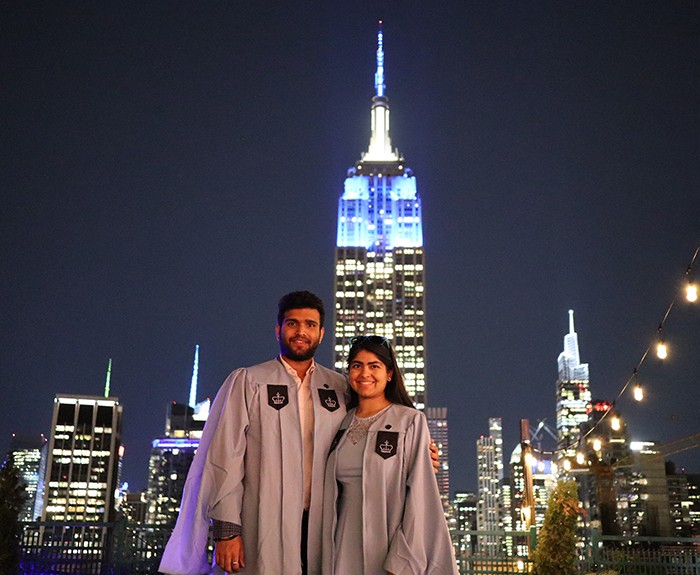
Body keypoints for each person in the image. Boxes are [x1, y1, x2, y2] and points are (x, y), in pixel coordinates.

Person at [159, 291, 348, 575]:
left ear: (321, 334)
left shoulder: (339, 387)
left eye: (310, 325)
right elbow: (225, 459)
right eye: (292, 323)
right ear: (278, 330)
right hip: (261, 521)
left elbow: (371, 429)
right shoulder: (249, 381)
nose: (301, 331)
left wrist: (420, 449)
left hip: (324, 524)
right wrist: (227, 532)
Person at [321, 335, 458, 575]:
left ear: (390, 374)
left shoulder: (409, 421)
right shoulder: (339, 422)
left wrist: (402, 561)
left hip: (388, 545)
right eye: (357, 365)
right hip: (342, 543)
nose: (365, 373)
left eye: (374, 366)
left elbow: (420, 495)